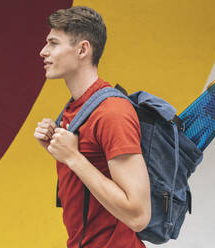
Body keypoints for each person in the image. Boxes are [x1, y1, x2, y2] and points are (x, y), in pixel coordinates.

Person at [34, 6, 151, 248]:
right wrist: (60, 151)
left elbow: (139, 216)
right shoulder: (76, 109)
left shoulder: (112, 113)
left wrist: (73, 157)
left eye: (53, 43)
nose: (43, 52)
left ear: (82, 49)